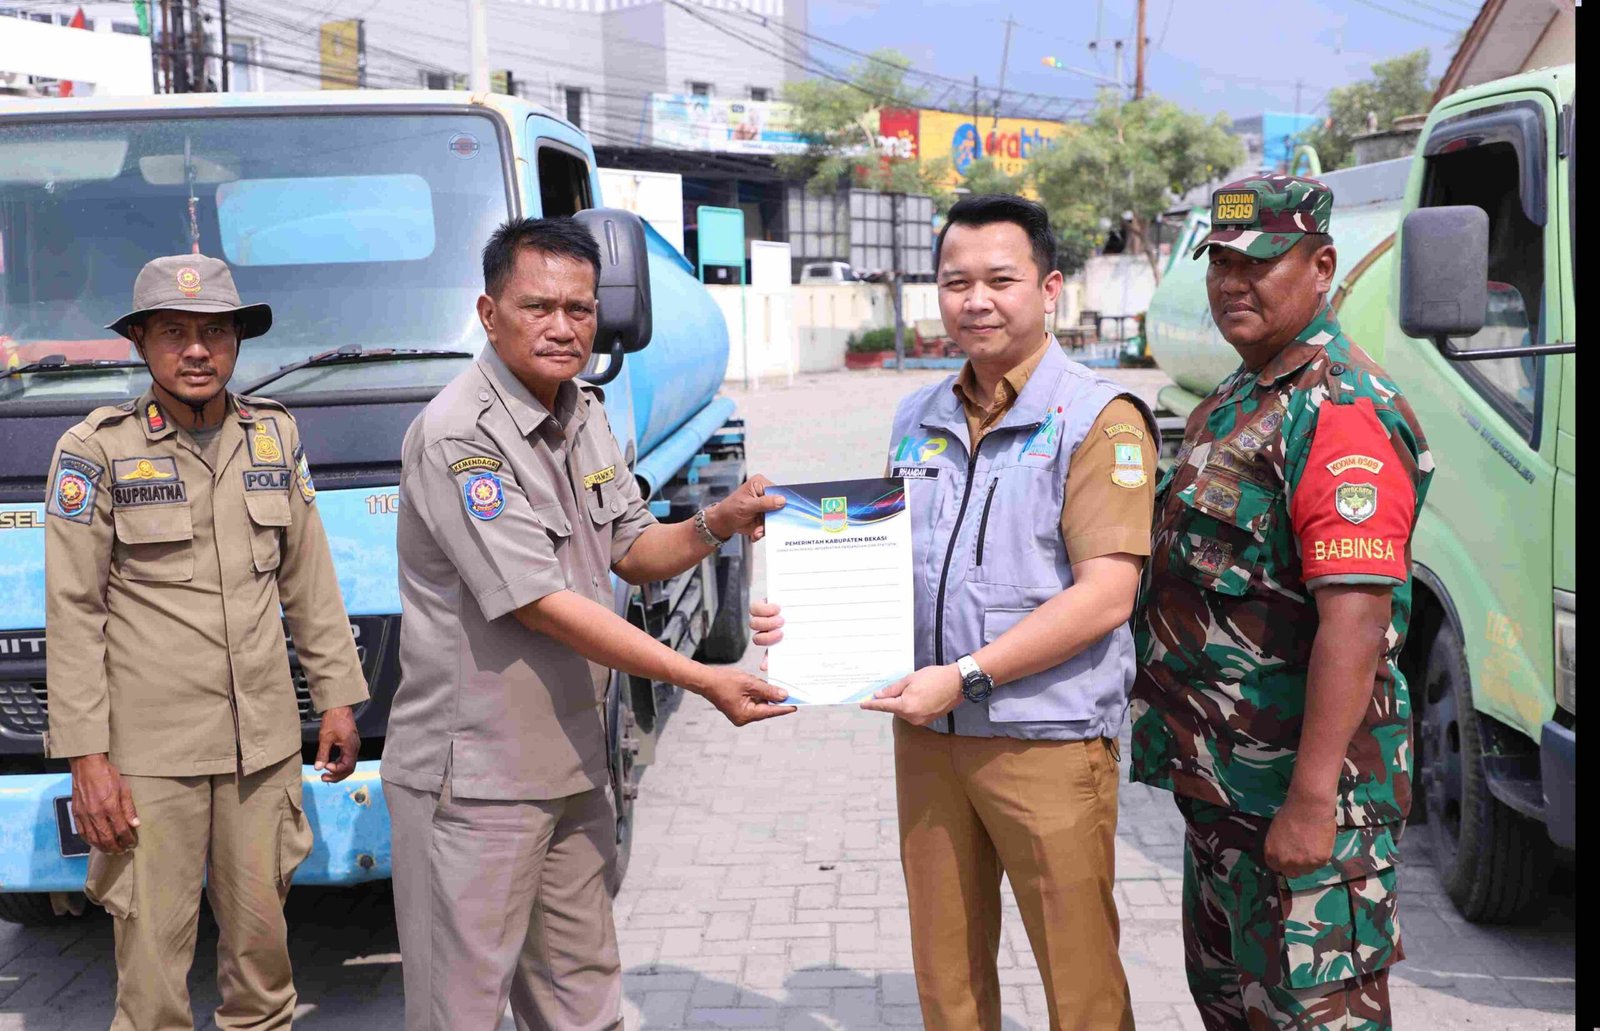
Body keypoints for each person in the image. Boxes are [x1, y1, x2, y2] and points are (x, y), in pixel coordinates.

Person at [755, 194, 1156, 1030]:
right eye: (955, 281)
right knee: (948, 977)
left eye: (1000, 279)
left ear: (1049, 289)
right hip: (930, 737)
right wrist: (801, 614)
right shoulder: (919, 417)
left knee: (1079, 985)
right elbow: (895, 563)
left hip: (1044, 738)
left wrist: (967, 674)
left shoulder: (1096, 417)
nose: (976, 299)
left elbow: (1106, 594)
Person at [383, 216, 794, 1031]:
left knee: (582, 1002)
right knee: (458, 1012)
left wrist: (720, 518)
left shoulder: (582, 411)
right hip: (477, 782)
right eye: (539, 306)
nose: (564, 326)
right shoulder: (460, 437)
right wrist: (702, 676)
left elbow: (633, 547)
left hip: (572, 764)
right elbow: (545, 603)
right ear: (489, 312)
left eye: (580, 307)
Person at [1129, 174, 1433, 1030]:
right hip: (1226, 800)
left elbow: (1358, 620)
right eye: (1219, 262)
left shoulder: (1339, 411)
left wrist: (1309, 803)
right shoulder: (1237, 399)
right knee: (1233, 1011)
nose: (1232, 283)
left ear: (1323, 264)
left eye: (1257, 262)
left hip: (1302, 814)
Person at [44, 254, 370, 1030]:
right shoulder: (96, 451)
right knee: (153, 981)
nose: (197, 349)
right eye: (174, 332)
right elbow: (73, 613)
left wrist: (337, 700)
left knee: (265, 970)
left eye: (215, 332)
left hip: (261, 748)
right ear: (141, 344)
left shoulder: (273, 436)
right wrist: (88, 757)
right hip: (150, 757)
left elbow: (309, 581)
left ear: (236, 342)